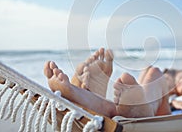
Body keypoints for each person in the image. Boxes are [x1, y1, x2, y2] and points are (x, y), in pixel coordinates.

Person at [43, 48, 171, 118]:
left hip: (163, 109)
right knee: (150, 75)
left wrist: (178, 100)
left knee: (156, 74)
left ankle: (102, 104)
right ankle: (100, 100)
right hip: (154, 100)